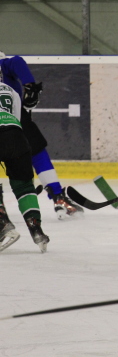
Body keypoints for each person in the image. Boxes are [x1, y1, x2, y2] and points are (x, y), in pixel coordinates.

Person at [0, 51, 83, 219]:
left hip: (14, 119)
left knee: (35, 151)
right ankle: (58, 197)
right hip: (13, 118)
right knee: (36, 152)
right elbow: (16, 62)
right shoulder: (4, 64)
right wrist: (30, 86)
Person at [0, 81, 49, 253]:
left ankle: (3, 224)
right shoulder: (10, 90)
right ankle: (36, 229)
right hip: (17, 138)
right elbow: (18, 118)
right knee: (24, 187)